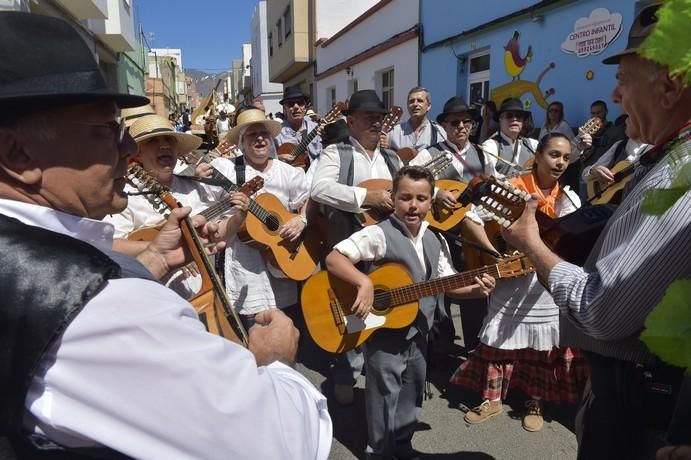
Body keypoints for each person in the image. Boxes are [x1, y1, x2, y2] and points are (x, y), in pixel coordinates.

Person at [0, 12, 331, 459]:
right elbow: (278, 441)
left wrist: (153, 256)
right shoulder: (96, 307)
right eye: (104, 129)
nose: (127, 150)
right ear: (15, 153)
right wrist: (275, 362)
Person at [501, 3, 689, 458]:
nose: (616, 96)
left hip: (638, 408)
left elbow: (602, 310)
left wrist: (531, 245)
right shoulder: (664, 159)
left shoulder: (679, 174)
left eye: (623, 80)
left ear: (670, 86)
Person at [325, 166, 496, 459]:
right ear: (393, 197)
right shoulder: (378, 234)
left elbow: (447, 284)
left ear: (431, 201)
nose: (413, 205)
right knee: (383, 394)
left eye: (421, 198)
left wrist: (476, 291)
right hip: (384, 333)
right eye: (405, 197)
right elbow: (334, 258)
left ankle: (402, 446)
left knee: (411, 390)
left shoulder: (436, 239)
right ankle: (378, 452)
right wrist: (363, 281)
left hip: (419, 331)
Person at [451, 133, 587, 432]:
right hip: (511, 278)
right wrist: (493, 252)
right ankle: (492, 397)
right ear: (537, 156)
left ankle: (535, 399)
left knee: (542, 344)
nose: (560, 162)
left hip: (545, 283)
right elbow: (470, 218)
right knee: (500, 336)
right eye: (553, 155)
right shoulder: (514, 189)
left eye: (565, 157)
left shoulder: (570, 198)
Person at [311, 89, 404, 405]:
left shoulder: (392, 157)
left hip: (386, 249)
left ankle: (381, 374)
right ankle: (346, 375)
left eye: (379, 117)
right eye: (369, 118)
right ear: (351, 122)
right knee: (350, 310)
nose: (376, 123)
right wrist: (366, 198)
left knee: (385, 307)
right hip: (346, 248)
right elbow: (320, 189)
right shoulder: (336, 153)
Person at [103, 114, 247, 300]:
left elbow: (214, 234)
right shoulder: (124, 195)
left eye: (169, 140)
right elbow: (110, 244)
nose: (164, 145)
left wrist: (239, 217)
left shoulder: (194, 186)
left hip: (199, 297)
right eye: (153, 141)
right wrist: (162, 249)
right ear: (137, 153)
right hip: (148, 297)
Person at [209, 108, 311, 329]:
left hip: (284, 259)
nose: (260, 138)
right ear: (241, 143)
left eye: (264, 133)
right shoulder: (227, 169)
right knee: (252, 332)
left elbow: (309, 200)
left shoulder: (289, 173)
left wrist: (301, 219)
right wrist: (197, 171)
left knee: (286, 333)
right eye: (252, 135)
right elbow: (206, 205)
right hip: (245, 267)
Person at [581, 115, 650, 205]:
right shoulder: (620, 145)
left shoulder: (654, 148)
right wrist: (593, 170)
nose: (626, 122)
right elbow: (585, 174)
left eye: (630, 117)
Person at [481, 98, 539, 178]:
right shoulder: (491, 145)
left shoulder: (533, 144)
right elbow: (490, 175)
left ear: (522, 121)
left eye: (518, 116)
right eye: (509, 115)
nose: (514, 119)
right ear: (500, 119)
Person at [384, 86, 446, 159]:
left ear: (428, 106)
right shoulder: (394, 132)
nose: (415, 104)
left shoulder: (439, 133)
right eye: (411, 101)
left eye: (420, 101)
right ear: (407, 105)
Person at [274, 85, 322, 166]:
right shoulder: (277, 133)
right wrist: (279, 157)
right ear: (285, 108)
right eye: (291, 104)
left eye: (300, 103)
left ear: (305, 107)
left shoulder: (316, 128)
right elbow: (267, 159)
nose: (296, 107)